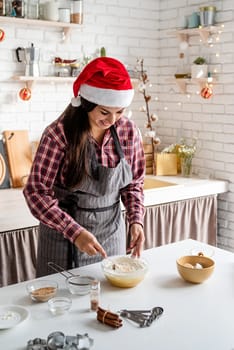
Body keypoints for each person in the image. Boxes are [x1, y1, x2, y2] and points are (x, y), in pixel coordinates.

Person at [23, 56, 146, 277]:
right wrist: (75, 232)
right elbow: (36, 193)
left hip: (111, 235)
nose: (112, 120)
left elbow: (133, 184)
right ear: (87, 104)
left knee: (106, 303)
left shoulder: (128, 131)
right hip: (63, 239)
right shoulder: (58, 134)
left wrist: (136, 220)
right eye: (104, 112)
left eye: (120, 111)